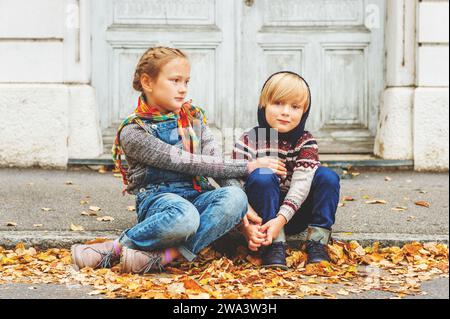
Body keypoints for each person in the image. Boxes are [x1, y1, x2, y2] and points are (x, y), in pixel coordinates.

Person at [70, 47, 287, 274]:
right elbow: (185, 161)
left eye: (186, 82)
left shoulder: (193, 119)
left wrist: (243, 216)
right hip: (160, 202)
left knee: (234, 196)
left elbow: (215, 163)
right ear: (147, 82)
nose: (183, 89)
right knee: (185, 216)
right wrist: (249, 166)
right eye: (175, 81)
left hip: (197, 196)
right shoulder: (134, 131)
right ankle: (114, 248)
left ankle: (166, 256)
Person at [235, 71, 341, 269]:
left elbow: (302, 185)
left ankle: (317, 242)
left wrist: (281, 220)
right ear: (263, 104)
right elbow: (235, 186)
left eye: (294, 107)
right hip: (261, 216)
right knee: (262, 175)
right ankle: (274, 245)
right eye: (278, 103)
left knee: (327, 176)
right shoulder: (249, 139)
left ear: (304, 111)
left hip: (295, 213)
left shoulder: (306, 142)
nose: (285, 112)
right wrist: (245, 227)